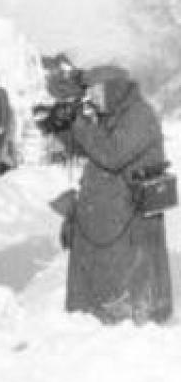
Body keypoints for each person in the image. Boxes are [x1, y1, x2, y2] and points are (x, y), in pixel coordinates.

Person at [55, 64, 172, 324]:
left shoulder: (140, 115)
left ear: (114, 88)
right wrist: (62, 126)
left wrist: (79, 124)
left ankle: (127, 317)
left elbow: (112, 154)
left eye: (97, 91)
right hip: (107, 213)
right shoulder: (111, 115)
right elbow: (88, 148)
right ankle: (95, 314)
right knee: (103, 272)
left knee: (128, 277)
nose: (92, 98)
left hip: (127, 216)